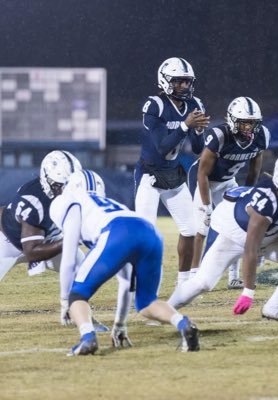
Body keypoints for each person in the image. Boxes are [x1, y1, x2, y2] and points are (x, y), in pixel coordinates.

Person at [50, 169, 200, 355]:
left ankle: (87, 338)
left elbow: (69, 255)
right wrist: (120, 325)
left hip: (116, 232)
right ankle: (183, 323)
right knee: (146, 304)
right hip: (149, 232)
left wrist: (65, 299)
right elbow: (126, 281)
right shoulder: (110, 204)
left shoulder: (66, 202)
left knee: (78, 295)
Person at [168, 152, 278, 321]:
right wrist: (248, 292)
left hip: (267, 235)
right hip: (232, 233)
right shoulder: (267, 203)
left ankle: (274, 307)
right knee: (203, 283)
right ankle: (164, 309)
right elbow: (250, 249)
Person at [0, 150, 108, 330]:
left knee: (81, 269)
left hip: (47, 238)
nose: (63, 191)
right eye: (59, 186)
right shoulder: (33, 199)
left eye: (68, 185)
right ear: (46, 179)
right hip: (9, 242)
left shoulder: (75, 191)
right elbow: (32, 251)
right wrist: (70, 240)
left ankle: (80, 316)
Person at [134, 57, 210, 286]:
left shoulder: (195, 104)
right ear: (166, 81)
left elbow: (198, 149)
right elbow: (162, 146)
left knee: (191, 228)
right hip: (149, 173)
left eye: (187, 82)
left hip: (173, 174)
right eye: (179, 82)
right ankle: (139, 283)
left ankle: (183, 281)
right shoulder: (154, 105)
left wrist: (197, 131)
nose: (185, 87)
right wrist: (186, 125)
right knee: (147, 235)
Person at [188, 96, 270, 289]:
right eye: (244, 124)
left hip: (227, 181)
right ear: (232, 120)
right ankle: (193, 277)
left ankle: (233, 277)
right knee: (202, 227)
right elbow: (202, 173)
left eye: (252, 124)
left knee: (239, 226)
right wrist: (207, 206)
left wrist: (249, 198)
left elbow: (254, 171)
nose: (248, 128)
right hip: (203, 180)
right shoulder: (219, 135)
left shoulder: (262, 136)